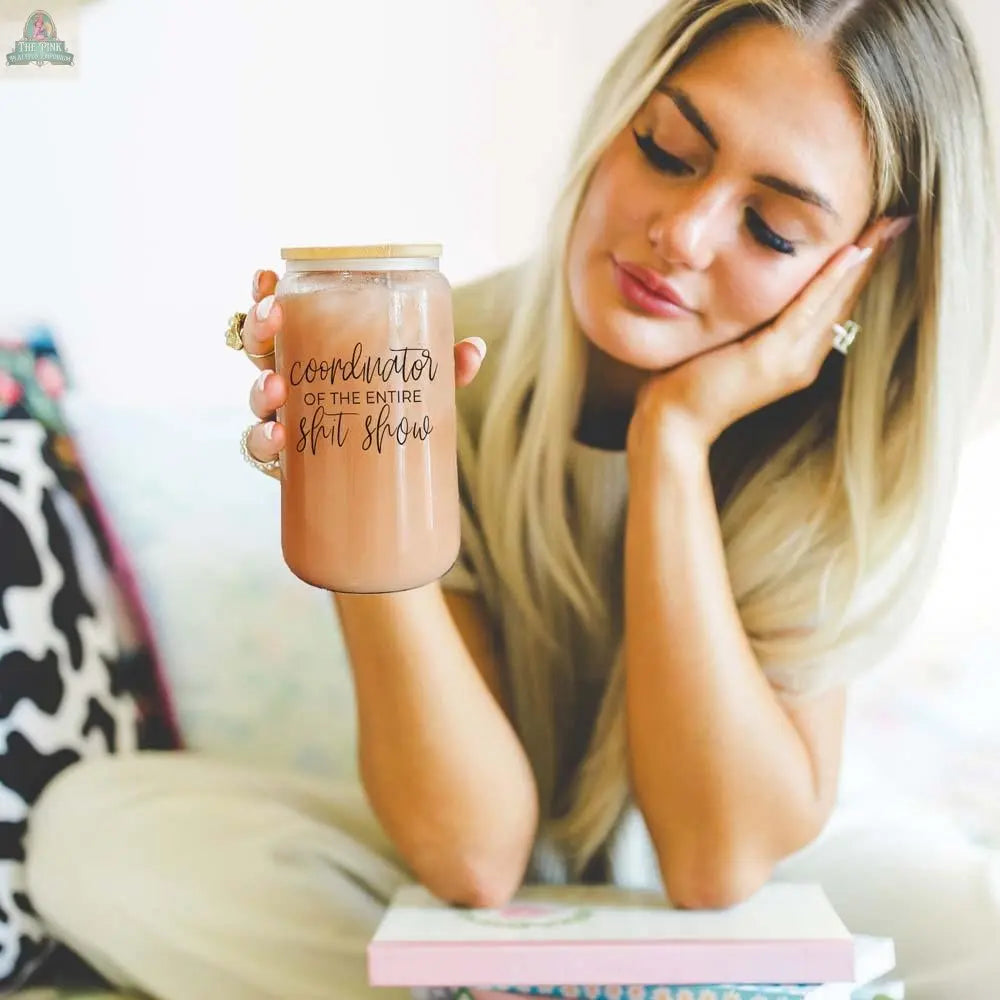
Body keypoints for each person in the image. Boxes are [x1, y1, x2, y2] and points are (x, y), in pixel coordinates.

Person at [23, 1, 1000, 998]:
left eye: (770, 228)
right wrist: (362, 483)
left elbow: (715, 864)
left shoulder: (841, 454)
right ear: (619, 116)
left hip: (758, 888)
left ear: (861, 273)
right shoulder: (440, 360)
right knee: (97, 841)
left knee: (983, 926)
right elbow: (475, 857)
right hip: (478, 900)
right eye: (665, 150)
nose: (683, 232)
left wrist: (673, 439)